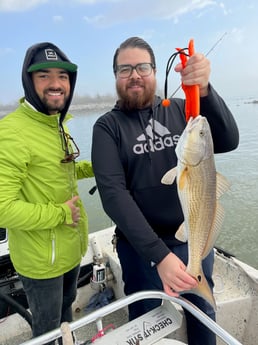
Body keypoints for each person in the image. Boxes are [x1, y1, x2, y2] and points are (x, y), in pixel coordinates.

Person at [91, 36, 239, 345]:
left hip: (193, 238)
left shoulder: (185, 112)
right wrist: (160, 256)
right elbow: (113, 195)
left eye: (143, 67)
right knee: (144, 322)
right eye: (125, 68)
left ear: (156, 72)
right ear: (116, 76)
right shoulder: (107, 127)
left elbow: (228, 140)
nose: (135, 75)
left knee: (201, 313)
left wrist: (206, 90)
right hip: (140, 248)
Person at [0, 42, 94, 344]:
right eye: (44, 76)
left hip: (69, 250)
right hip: (41, 262)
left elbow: (61, 171)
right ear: (29, 82)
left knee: (66, 319)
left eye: (63, 76)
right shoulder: (12, 132)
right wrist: (61, 214)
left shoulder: (56, 123)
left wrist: (102, 166)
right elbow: (3, 208)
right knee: (48, 330)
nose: (55, 83)